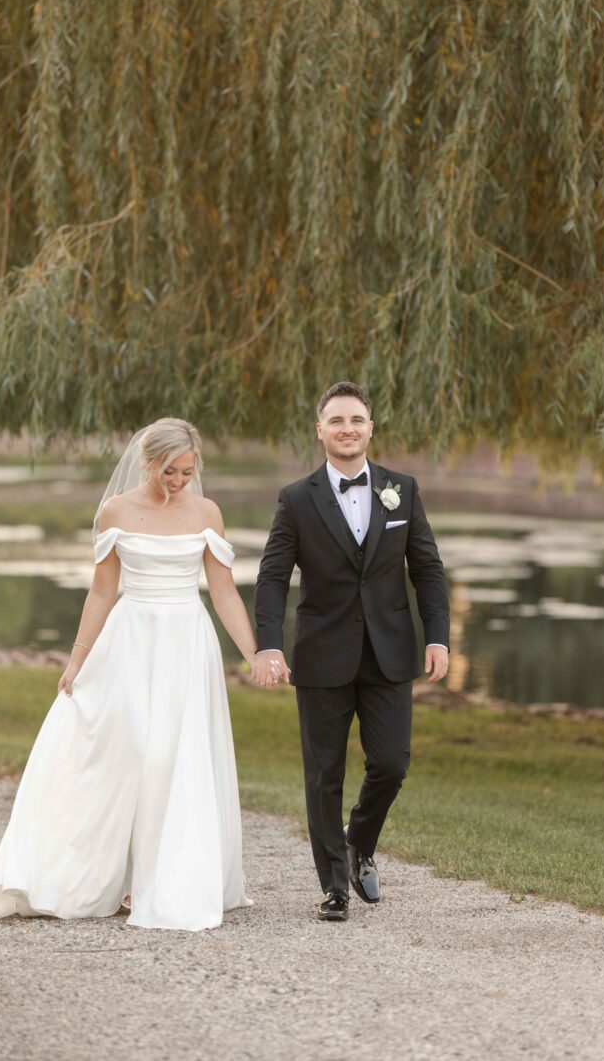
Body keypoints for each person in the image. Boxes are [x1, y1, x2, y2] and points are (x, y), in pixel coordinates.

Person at [0, 418, 258, 931]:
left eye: (188, 472)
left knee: (171, 755)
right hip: (130, 640)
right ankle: (109, 873)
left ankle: (158, 879)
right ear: (148, 462)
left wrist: (254, 652)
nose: (179, 482)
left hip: (185, 642)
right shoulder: (116, 510)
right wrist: (76, 659)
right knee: (130, 751)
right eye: (170, 471)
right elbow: (103, 591)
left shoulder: (207, 512)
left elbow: (222, 592)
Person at [254, 382, 449, 921]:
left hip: (390, 653)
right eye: (336, 420)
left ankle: (359, 840)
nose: (348, 428)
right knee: (324, 774)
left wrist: (438, 635)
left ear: (371, 428)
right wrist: (268, 644)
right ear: (320, 430)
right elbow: (272, 577)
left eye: (357, 420)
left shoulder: (402, 490)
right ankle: (335, 886)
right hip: (321, 655)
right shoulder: (296, 499)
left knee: (391, 764)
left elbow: (427, 569)